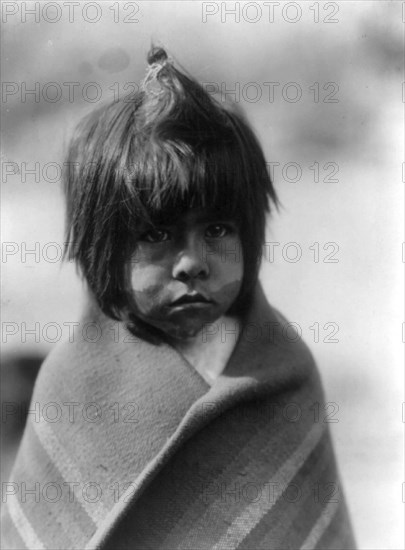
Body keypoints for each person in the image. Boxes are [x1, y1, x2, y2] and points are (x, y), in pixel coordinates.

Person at [1, 47, 356, 549]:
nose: (192, 262)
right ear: (103, 252)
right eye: (154, 236)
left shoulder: (280, 371)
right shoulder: (76, 383)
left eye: (217, 228)